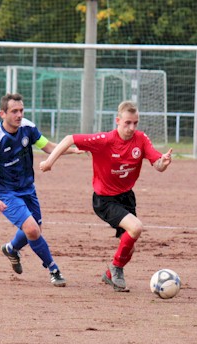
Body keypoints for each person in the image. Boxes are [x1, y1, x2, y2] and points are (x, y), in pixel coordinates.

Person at [39, 100, 173, 292]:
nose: (131, 127)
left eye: (135, 123)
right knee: (136, 228)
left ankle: (109, 275)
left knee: (130, 247)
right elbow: (69, 138)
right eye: (127, 123)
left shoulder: (141, 139)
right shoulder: (105, 140)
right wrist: (50, 162)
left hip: (126, 198)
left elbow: (158, 165)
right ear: (117, 120)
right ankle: (116, 268)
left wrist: (164, 162)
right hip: (105, 200)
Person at [0, 93, 76, 287]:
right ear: (2, 114)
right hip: (4, 192)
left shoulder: (27, 127)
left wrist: (73, 149)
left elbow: (48, 147)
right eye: (14, 111)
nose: (19, 115)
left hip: (27, 188)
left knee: (35, 230)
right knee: (32, 229)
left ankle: (11, 249)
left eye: (21, 111)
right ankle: (54, 269)